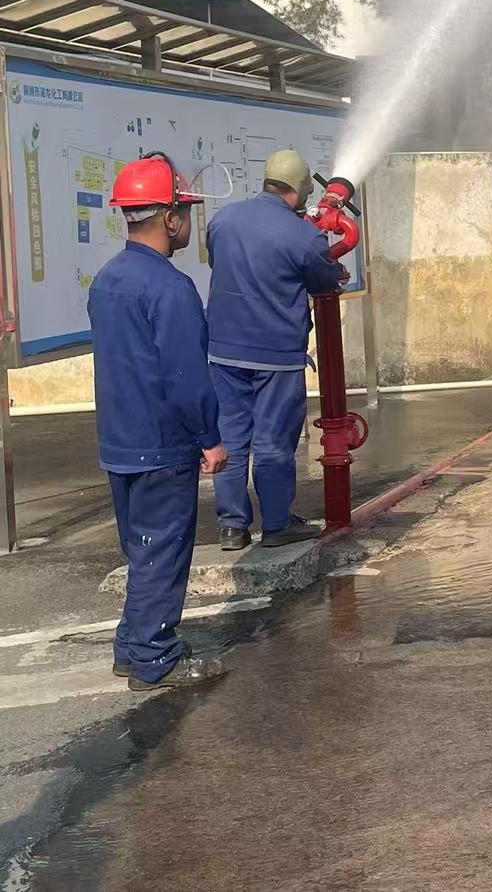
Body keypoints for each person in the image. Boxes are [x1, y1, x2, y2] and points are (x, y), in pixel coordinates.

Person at [88, 153, 228, 690]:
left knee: (142, 549)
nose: (189, 221)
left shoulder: (107, 280)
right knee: (162, 552)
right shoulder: (171, 287)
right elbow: (185, 375)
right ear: (170, 219)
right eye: (185, 212)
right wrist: (210, 438)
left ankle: (132, 646)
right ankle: (153, 659)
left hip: (119, 441)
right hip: (162, 442)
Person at [206, 149, 344, 550]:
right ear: (300, 189)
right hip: (276, 356)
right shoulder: (303, 235)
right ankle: (277, 525)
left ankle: (232, 527)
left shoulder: (223, 220)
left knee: (231, 438)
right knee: (272, 441)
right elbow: (324, 281)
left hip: (223, 352)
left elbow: (219, 262)